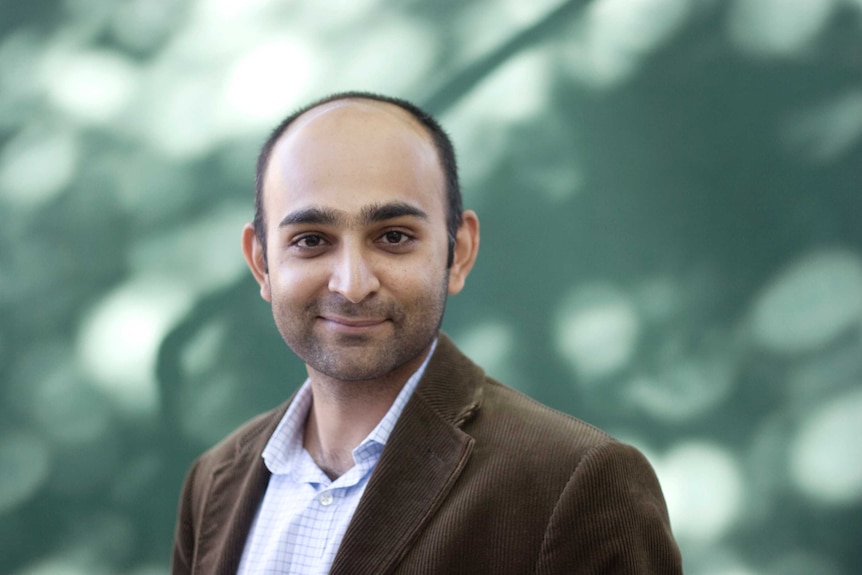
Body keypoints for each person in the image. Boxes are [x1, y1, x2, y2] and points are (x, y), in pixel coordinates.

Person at [171, 91, 683, 575]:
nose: (351, 285)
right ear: (261, 263)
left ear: (457, 252)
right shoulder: (214, 480)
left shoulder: (576, 483)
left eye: (393, 237)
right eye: (310, 240)